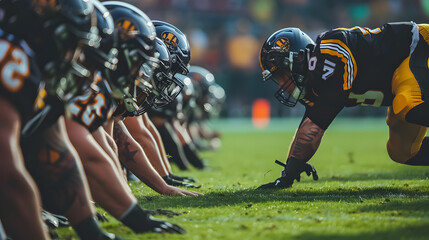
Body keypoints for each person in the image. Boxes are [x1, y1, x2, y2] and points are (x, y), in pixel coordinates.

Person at [257, 22, 429, 189]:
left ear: (299, 57)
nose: (281, 84)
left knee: (410, 105)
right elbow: (309, 124)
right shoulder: (316, 84)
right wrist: (288, 174)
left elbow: (314, 127)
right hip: (405, 74)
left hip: (420, 45)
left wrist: (288, 175)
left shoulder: (330, 51)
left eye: (281, 74)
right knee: (403, 151)